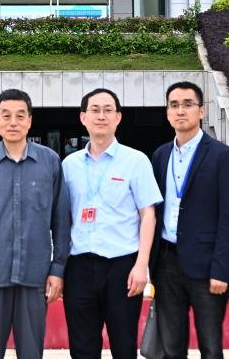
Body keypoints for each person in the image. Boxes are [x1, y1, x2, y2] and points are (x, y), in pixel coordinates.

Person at [0, 89, 71, 359]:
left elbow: (60, 220)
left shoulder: (50, 162)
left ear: (30, 121)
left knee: (32, 352)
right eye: (6, 116)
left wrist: (58, 268)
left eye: (20, 116)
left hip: (35, 275)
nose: (13, 122)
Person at [61, 88, 162, 359]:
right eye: (94, 110)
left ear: (118, 117)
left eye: (108, 110)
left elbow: (148, 214)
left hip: (122, 267)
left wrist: (141, 265)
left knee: (124, 346)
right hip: (79, 266)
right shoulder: (69, 165)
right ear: (83, 117)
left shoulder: (136, 161)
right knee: (82, 348)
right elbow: (62, 218)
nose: (101, 116)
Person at [149, 81, 229, 359]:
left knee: (210, 348)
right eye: (174, 105)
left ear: (201, 111)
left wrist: (221, 271)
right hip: (166, 263)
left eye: (188, 104)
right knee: (171, 348)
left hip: (206, 266)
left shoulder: (221, 155)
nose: (180, 111)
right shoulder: (160, 155)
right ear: (167, 113)